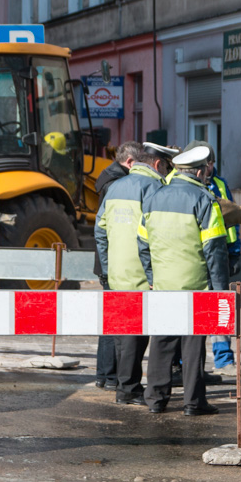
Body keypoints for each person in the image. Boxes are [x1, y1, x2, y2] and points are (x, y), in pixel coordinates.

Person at [138, 144, 229, 416]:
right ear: (199, 171)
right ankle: (193, 402)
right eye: (206, 171)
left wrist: (153, 277)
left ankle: (155, 399)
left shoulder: (154, 197)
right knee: (192, 346)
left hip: (164, 284)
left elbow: (142, 243)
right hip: (195, 286)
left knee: (162, 341)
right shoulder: (204, 200)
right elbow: (214, 250)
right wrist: (220, 290)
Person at [95, 143, 174, 406]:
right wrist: (154, 274)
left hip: (118, 274)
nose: (167, 172)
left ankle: (124, 384)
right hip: (142, 275)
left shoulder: (116, 186)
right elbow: (158, 234)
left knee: (123, 333)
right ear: (156, 164)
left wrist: (107, 268)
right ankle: (127, 389)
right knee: (135, 336)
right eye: (166, 166)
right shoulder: (154, 188)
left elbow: (99, 229)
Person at [181, 140, 241, 379]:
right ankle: (185, 362)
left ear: (211, 164)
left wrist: (235, 252)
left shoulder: (219, 184)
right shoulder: (180, 185)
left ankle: (224, 359)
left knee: (220, 309)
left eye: (208, 163)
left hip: (218, 257)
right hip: (191, 260)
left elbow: (231, 219)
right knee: (190, 312)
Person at [92, 141, 146, 390]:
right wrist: (106, 267)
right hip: (116, 264)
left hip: (110, 262)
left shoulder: (108, 179)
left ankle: (106, 374)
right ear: (131, 163)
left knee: (110, 321)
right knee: (116, 324)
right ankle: (110, 375)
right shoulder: (118, 184)